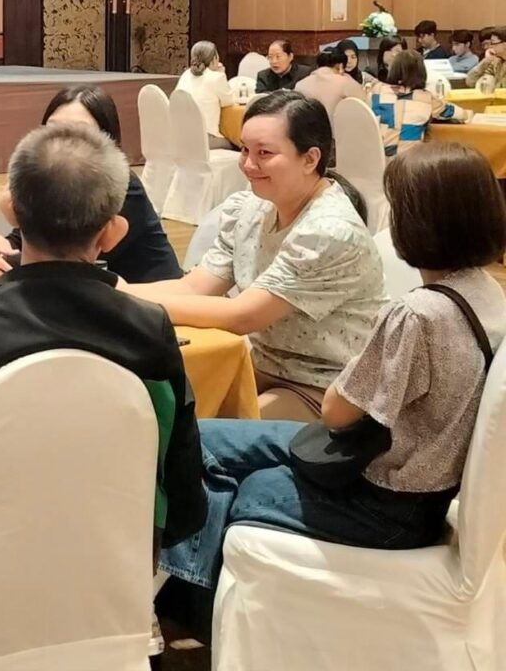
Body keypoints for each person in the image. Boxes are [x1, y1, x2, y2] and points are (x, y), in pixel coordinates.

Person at [0, 122, 206, 670]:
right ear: (112, 233)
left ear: (10, 209)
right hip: (98, 620)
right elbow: (182, 507)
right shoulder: (147, 333)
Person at [157, 142, 506, 640]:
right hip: (410, 480)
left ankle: (197, 609)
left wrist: (353, 370)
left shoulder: (419, 314)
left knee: (248, 484)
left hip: (385, 502)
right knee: (202, 438)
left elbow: (338, 412)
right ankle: (193, 592)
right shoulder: (486, 293)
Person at [126, 92, 387, 421]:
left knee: (192, 433)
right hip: (262, 365)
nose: (249, 165)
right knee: (153, 407)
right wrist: (114, 291)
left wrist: (121, 297)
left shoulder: (328, 231)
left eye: (264, 153)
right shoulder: (252, 207)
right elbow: (195, 287)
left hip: (326, 388)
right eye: (244, 150)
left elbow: (242, 316)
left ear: (310, 159)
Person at [0, 85, 182, 283]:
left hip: (152, 300)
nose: (62, 141)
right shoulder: (47, 178)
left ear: (107, 140)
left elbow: (63, 261)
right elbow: (29, 243)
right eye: (52, 131)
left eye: (79, 133)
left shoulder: (120, 185)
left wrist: (8, 241)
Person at [370, 50, 471, 157]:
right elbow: (457, 113)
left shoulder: (377, 90)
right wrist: (469, 114)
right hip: (408, 161)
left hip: (376, 159)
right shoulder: (426, 98)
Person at [176, 41, 236, 149]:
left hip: (181, 137)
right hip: (205, 139)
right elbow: (229, 101)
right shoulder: (216, 77)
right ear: (214, 59)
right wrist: (221, 73)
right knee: (237, 145)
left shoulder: (185, 74)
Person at [293, 47, 364, 119]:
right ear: (340, 66)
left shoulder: (300, 85)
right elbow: (365, 104)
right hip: (334, 125)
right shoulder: (344, 81)